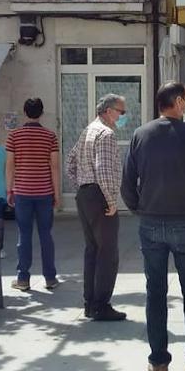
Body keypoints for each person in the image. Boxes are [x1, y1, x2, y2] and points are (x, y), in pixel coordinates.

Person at [121, 82, 185, 371]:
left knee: (156, 292)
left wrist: (141, 207)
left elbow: (127, 184)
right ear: (177, 102)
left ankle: (159, 361)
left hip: (151, 222)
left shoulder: (140, 134)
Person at [66, 94, 128, 322]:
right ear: (109, 111)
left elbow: (70, 163)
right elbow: (103, 170)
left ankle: (90, 303)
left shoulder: (87, 130)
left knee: (92, 249)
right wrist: (111, 201)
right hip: (99, 195)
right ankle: (101, 304)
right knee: (107, 252)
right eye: (122, 112)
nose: (123, 117)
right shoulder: (106, 134)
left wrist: (82, 185)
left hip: (86, 194)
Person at [5, 98, 62, 291]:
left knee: (24, 234)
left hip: (22, 192)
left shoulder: (14, 136)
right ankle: (50, 277)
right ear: (42, 113)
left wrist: (9, 189)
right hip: (45, 191)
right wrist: (57, 193)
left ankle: (23, 278)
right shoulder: (50, 136)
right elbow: (54, 167)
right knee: (46, 234)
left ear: (24, 112)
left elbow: (10, 166)